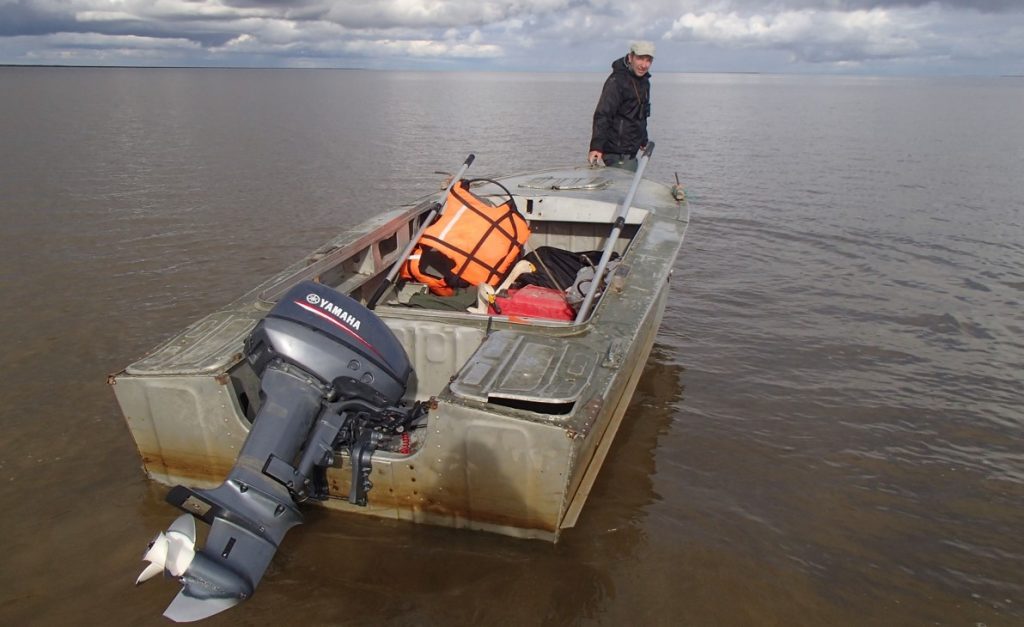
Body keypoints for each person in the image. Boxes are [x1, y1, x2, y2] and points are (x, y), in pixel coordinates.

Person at [588, 41, 654, 171]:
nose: (644, 65)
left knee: (631, 186)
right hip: (615, 153)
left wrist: (643, 139)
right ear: (630, 57)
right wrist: (596, 147)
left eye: (648, 60)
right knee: (624, 188)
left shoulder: (644, 82)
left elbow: (640, 113)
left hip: (631, 152)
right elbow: (603, 114)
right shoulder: (617, 81)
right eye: (640, 59)